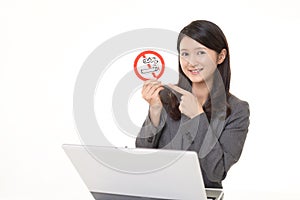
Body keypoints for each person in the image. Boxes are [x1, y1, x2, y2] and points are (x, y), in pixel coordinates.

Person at [135, 20, 250, 188]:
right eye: (185, 54)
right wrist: (155, 109)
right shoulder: (166, 96)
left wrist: (198, 116)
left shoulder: (237, 110)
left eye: (200, 53)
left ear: (221, 56)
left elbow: (217, 172)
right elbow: (142, 154)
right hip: (157, 192)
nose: (191, 62)